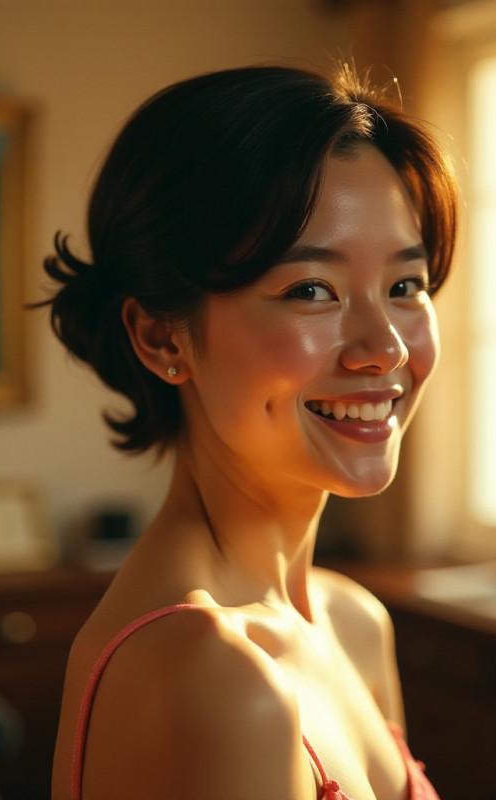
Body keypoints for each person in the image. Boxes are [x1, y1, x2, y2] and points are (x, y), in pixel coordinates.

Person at [43, 62, 456, 800]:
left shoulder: (352, 621)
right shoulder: (213, 677)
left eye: (405, 285)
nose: (385, 349)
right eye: (311, 290)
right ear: (163, 337)